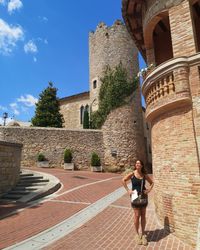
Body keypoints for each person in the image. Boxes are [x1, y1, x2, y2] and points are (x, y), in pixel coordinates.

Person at [122, 160, 154, 246]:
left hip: (143, 196)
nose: (137, 164)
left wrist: (148, 190)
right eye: (136, 163)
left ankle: (143, 234)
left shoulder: (144, 175)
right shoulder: (132, 174)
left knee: (143, 215)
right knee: (136, 215)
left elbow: (152, 183)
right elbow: (123, 180)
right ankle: (137, 234)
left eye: (139, 163)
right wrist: (128, 190)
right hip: (135, 196)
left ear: (142, 165)